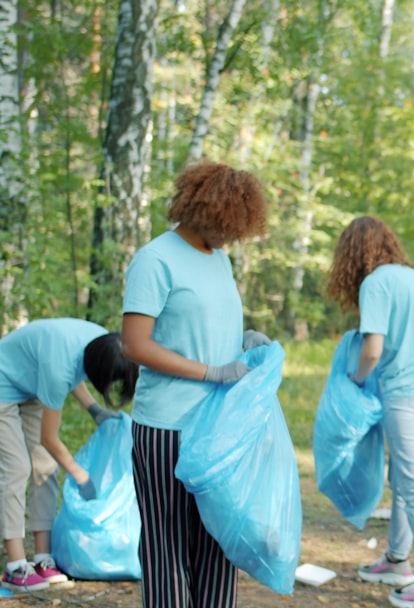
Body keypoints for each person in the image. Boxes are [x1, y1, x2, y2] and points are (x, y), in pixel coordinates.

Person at [121, 161, 271, 608]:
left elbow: (204, 330)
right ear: (205, 209)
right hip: (166, 426)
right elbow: (134, 344)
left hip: (218, 427)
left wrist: (241, 344)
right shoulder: (155, 260)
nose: (231, 237)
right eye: (227, 225)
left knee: (218, 542)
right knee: (167, 545)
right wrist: (211, 372)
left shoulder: (219, 259)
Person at [326, 216, 414, 608]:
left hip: (408, 395)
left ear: (353, 253)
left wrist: (354, 378)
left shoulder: (375, 283)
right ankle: (397, 560)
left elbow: (373, 349)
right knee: (403, 476)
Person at [1, 320, 138, 592]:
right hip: (3, 382)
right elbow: (48, 438)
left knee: (45, 467)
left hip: (31, 385)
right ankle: (15, 566)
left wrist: (93, 409)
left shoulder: (105, 343)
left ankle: (42, 558)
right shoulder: (57, 367)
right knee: (17, 468)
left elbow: (74, 370)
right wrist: (79, 474)